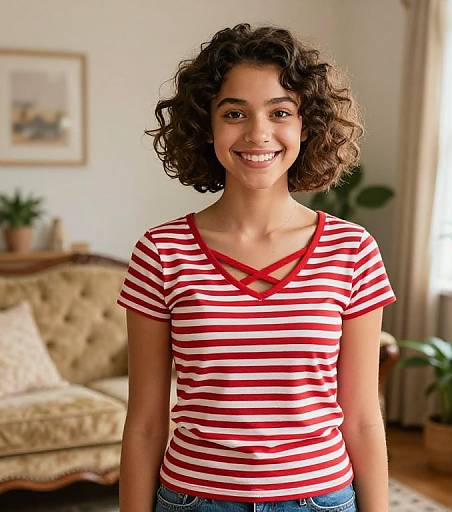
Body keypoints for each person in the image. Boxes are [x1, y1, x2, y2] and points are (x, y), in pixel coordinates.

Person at [117, 23, 397, 512]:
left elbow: (362, 418)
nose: (257, 133)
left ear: (306, 125)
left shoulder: (352, 250)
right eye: (234, 113)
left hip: (320, 500)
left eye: (280, 112)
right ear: (206, 125)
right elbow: (143, 423)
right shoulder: (160, 252)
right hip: (194, 500)